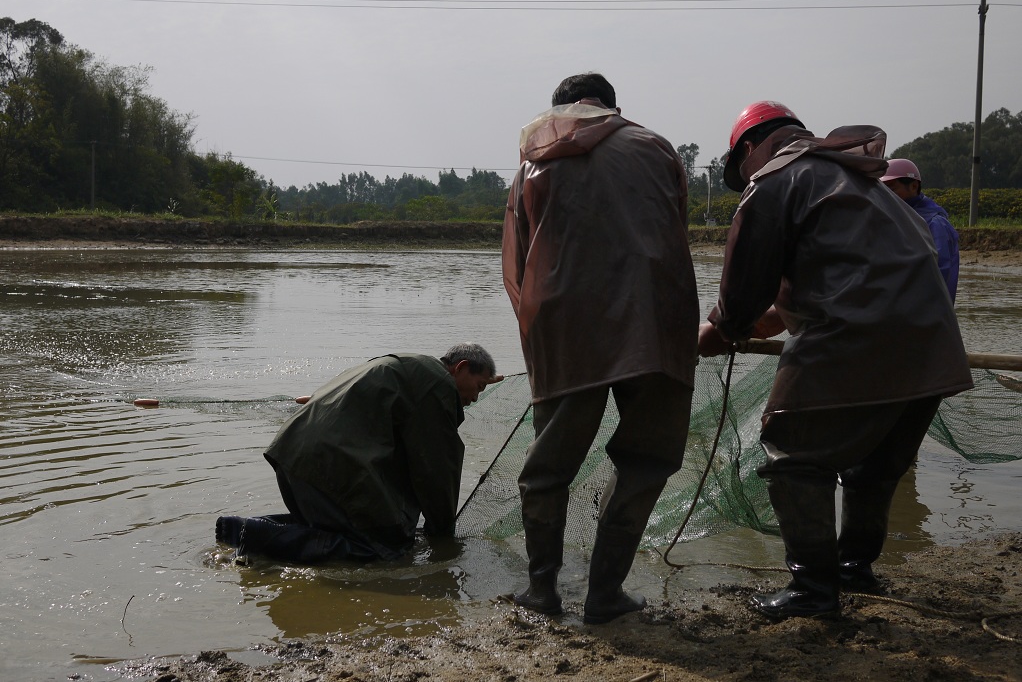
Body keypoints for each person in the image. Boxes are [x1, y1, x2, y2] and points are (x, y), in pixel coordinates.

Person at [698, 101, 973, 620]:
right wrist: (778, 315)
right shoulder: (862, 182)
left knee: (792, 450)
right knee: (873, 467)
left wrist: (722, 329)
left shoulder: (775, 181)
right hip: (932, 345)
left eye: (742, 166)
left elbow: (744, 289)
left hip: (856, 336)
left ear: (753, 147)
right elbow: (855, 264)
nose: (746, 176)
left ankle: (812, 591)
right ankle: (853, 569)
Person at [502, 73, 699, 624]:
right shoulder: (657, 148)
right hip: (657, 327)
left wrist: (538, 338)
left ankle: (542, 591)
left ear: (560, 110)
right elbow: (673, 233)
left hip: (566, 331)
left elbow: (517, 266)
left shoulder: (534, 161)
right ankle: (605, 594)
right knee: (645, 462)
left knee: (548, 469)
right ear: (613, 109)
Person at [215, 343, 499, 563]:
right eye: (479, 386)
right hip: (324, 463)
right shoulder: (438, 384)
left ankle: (237, 529)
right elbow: (436, 467)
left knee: (338, 530)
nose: (475, 398)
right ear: (460, 368)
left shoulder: (411, 367)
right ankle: (252, 535)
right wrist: (444, 538)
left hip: (293, 453)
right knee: (381, 550)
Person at [880, 158, 960, 302]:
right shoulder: (893, 218)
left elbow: (939, 273)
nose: (886, 195)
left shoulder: (935, 224)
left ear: (913, 186)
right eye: (882, 189)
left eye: (891, 189)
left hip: (925, 313)